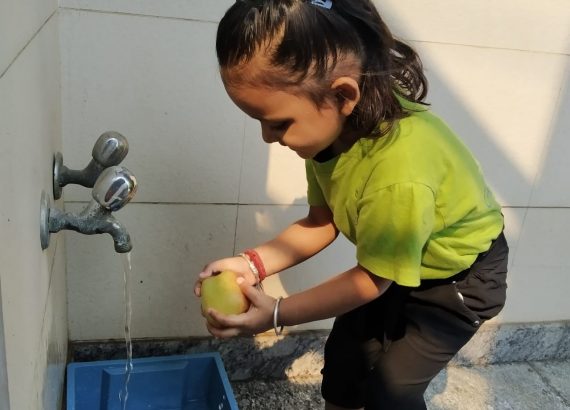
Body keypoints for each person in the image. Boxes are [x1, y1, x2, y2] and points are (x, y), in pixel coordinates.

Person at [194, 1, 509, 409]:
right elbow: (321, 222)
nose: (267, 138)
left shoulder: (399, 173)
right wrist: (252, 265)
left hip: (458, 280)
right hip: (395, 267)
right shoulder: (328, 137)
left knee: (390, 391)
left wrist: (276, 313)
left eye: (278, 123)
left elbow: (371, 281)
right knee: (345, 358)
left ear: (343, 94)